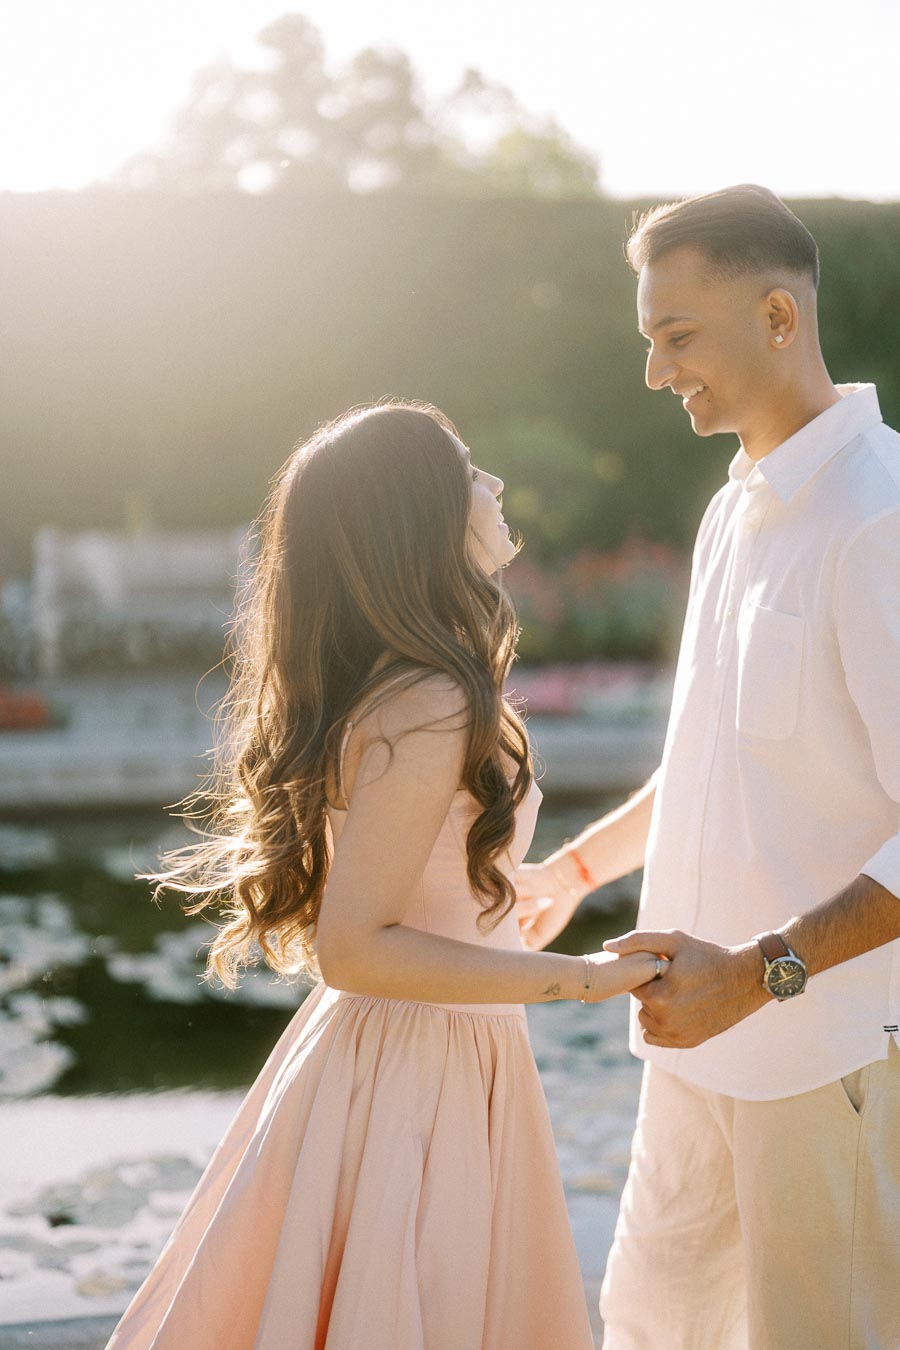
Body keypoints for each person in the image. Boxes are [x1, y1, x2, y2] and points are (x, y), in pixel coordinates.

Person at [105, 400, 661, 1350]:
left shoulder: (420, 685)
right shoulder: (431, 700)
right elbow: (355, 946)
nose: (490, 485)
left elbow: (417, 880)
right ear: (421, 519)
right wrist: (579, 979)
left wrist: (509, 894)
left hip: (437, 1048)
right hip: (416, 1070)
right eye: (467, 472)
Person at [515, 186, 900, 1349]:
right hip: (687, 1045)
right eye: (648, 339)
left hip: (820, 1062)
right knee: (649, 1332)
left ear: (779, 318)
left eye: (676, 336)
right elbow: (707, 761)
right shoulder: (731, 512)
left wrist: (757, 975)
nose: (653, 371)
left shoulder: (879, 519)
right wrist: (572, 870)